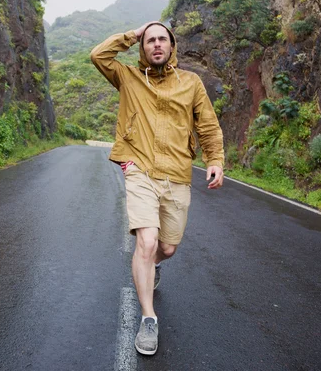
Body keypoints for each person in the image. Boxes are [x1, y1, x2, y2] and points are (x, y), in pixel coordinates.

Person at [90, 21, 225, 355]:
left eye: (162, 39)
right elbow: (98, 55)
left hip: (177, 174)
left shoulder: (191, 83)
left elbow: (207, 124)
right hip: (140, 168)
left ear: (172, 45)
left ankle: (154, 266)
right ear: (143, 47)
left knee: (166, 248)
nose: (156, 44)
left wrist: (215, 159)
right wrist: (132, 34)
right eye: (150, 40)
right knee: (146, 242)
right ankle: (148, 318)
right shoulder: (128, 78)